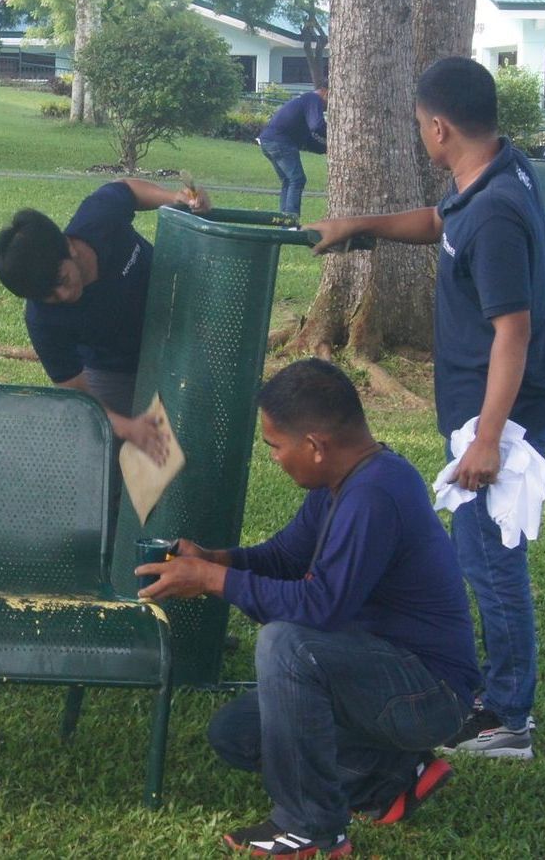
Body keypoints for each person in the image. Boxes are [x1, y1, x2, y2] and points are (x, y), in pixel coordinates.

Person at [306, 56, 545, 762]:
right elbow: (434, 221)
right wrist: (358, 225)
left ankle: (508, 715)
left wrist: (487, 440)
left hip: (508, 414)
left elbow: (511, 332)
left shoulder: (494, 212)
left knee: (490, 558)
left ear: (438, 126)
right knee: (476, 550)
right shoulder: (489, 173)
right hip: (487, 408)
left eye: (420, 125)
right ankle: (497, 699)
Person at [138, 359, 477, 858]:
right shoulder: (343, 480)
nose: (273, 457)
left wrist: (212, 580)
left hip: (429, 694)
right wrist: (216, 560)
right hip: (379, 678)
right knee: (238, 735)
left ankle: (311, 828)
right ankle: (392, 776)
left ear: (315, 446)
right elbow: (283, 558)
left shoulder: (375, 495)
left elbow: (319, 610)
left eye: (276, 445)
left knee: (288, 643)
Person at [0, 177, 212, 461]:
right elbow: (78, 394)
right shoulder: (42, 321)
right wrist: (128, 427)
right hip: (114, 368)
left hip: (178, 326)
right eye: (48, 296)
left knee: (196, 434)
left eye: (62, 279)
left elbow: (128, 189)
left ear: (68, 247)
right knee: (104, 453)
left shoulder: (98, 218)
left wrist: (172, 198)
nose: (63, 295)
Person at [257, 85, 328, 219]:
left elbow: (308, 141)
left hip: (267, 141)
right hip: (281, 142)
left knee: (288, 181)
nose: (326, 108)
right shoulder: (313, 98)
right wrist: (338, 135)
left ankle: (284, 222)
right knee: (297, 179)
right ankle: (291, 220)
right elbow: (317, 126)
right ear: (326, 93)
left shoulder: (303, 103)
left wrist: (328, 148)